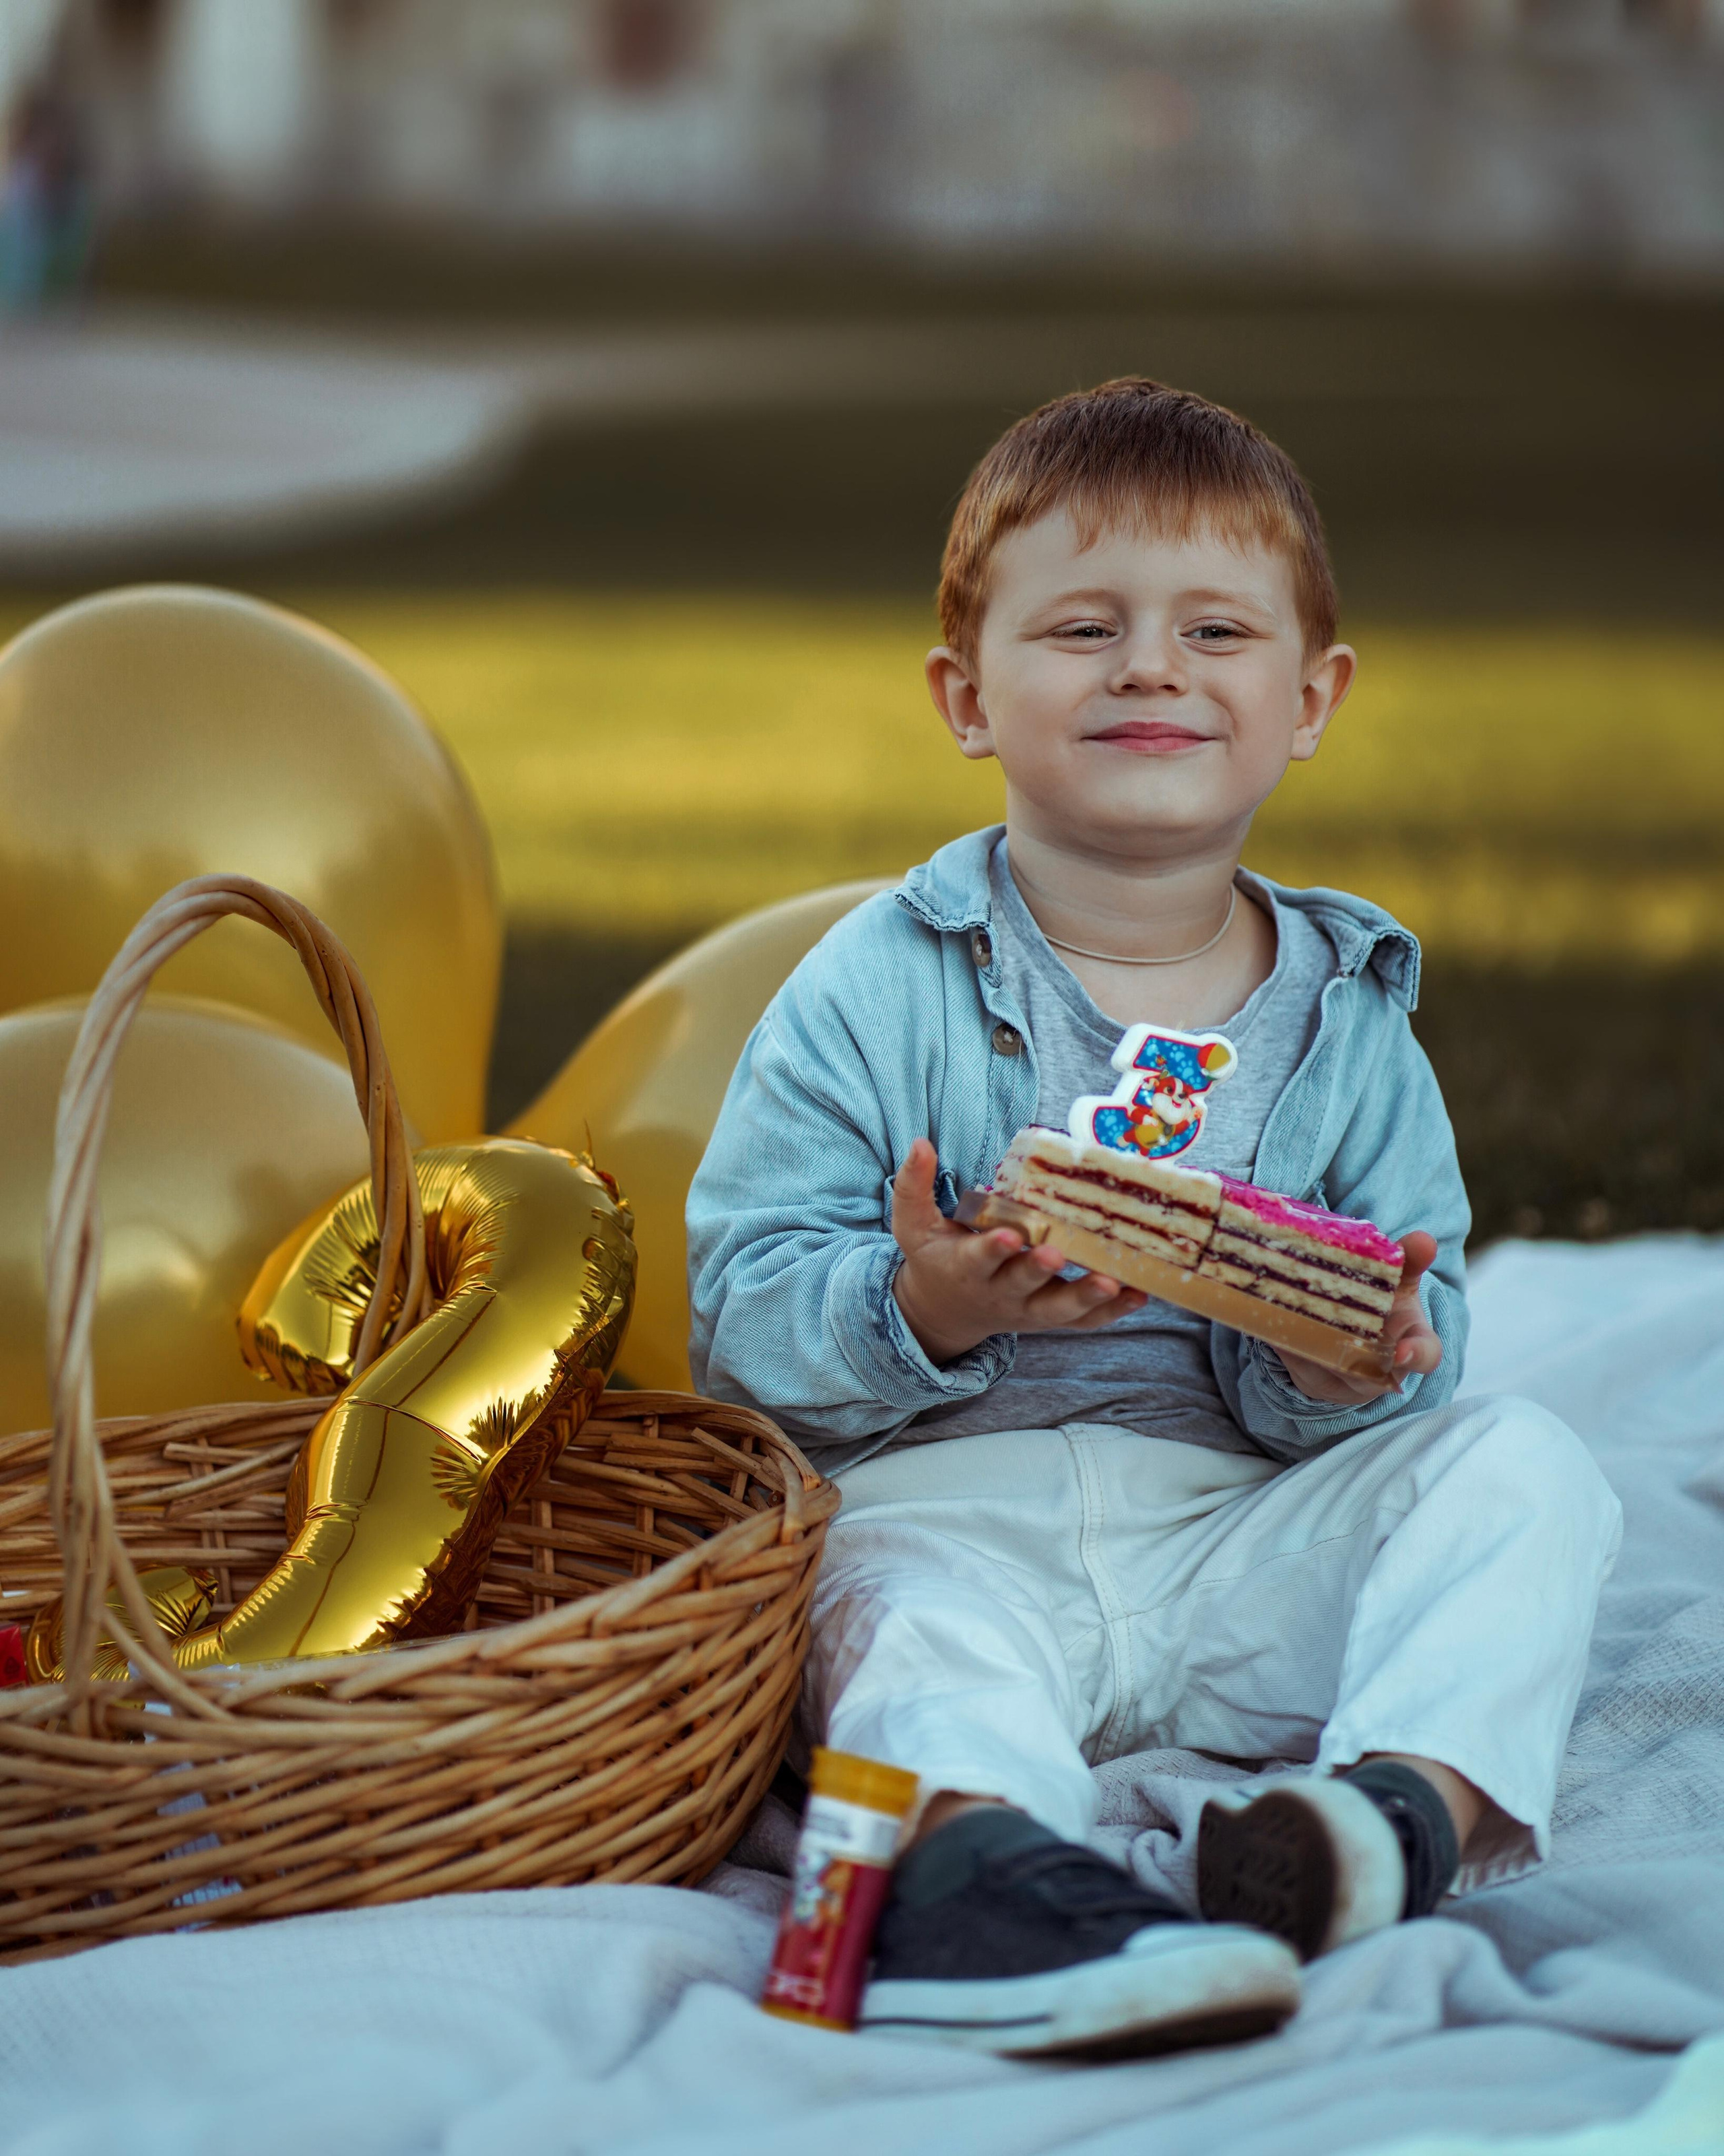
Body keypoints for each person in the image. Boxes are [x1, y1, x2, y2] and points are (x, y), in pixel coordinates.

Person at [688, 379, 1622, 2062]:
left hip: (1229, 1542)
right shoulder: (871, 984)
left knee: (1523, 1468)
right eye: (1080, 626)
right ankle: (974, 1869)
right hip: (951, 1515)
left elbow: (1421, 1316)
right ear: (966, 696)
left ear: (1308, 697)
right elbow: (731, 1304)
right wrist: (928, 1307)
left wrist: (1360, 1362)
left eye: (1213, 628)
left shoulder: (1350, 1018)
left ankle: (1374, 1823)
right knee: (888, 1614)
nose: (1149, 667)